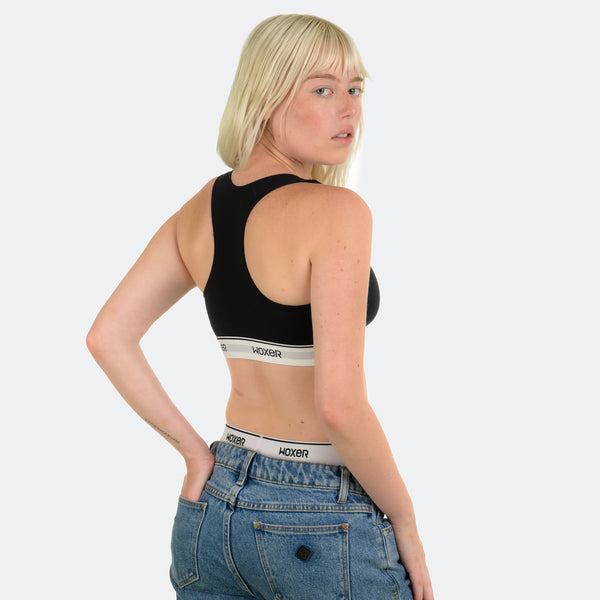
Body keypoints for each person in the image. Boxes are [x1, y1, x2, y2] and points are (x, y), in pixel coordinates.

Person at [87, 13, 434, 600]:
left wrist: (196, 456)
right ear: (267, 98)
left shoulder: (201, 208)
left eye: (355, 89)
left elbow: (107, 337)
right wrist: (404, 518)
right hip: (318, 517)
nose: (348, 109)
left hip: (214, 510)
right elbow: (340, 407)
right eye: (322, 90)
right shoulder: (337, 212)